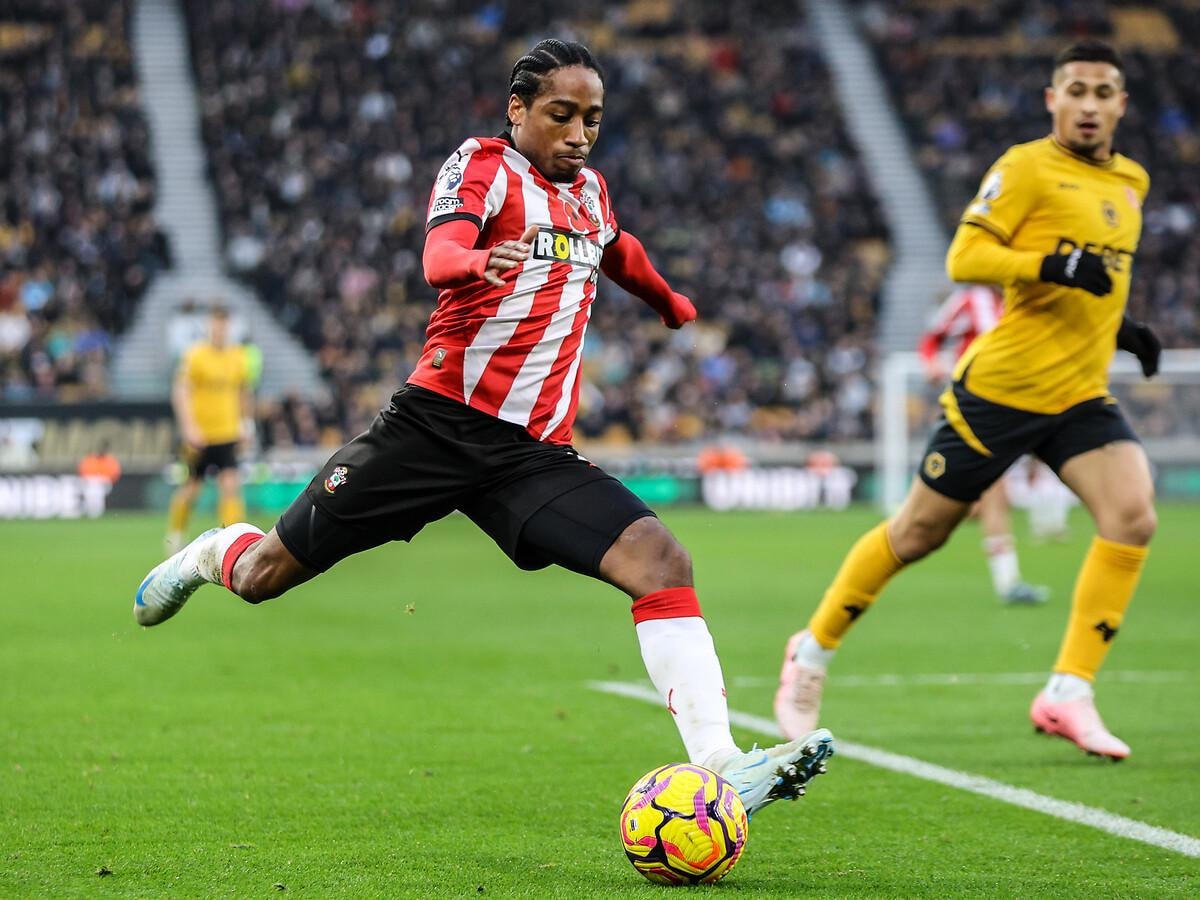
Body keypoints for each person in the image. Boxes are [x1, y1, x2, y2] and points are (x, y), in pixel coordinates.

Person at [134, 39, 834, 815]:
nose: (579, 134)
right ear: (518, 109)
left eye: (592, 119)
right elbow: (440, 253)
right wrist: (476, 263)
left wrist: (668, 301)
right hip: (433, 430)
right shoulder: (482, 166)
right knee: (265, 577)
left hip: (530, 456)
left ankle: (722, 764)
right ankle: (209, 553)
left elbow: (618, 250)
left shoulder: (591, 194)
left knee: (661, 561)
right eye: (561, 115)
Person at [775, 40, 1161, 760]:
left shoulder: (1131, 180)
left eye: (1103, 92)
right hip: (1003, 392)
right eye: (1075, 90)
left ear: (1121, 105)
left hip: (1079, 391)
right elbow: (965, 257)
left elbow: (1095, 278)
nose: (1088, 105)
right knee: (918, 534)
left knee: (1132, 515)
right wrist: (1050, 264)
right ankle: (811, 653)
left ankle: (1068, 691)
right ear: (1052, 100)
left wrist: (1121, 327)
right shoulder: (1025, 167)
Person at [918, 283, 1051, 605]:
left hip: (1013, 407)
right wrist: (931, 364)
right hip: (974, 408)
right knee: (993, 493)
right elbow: (932, 338)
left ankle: (1008, 580)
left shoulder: (1026, 301)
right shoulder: (969, 301)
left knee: (980, 500)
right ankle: (1008, 582)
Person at [165, 305, 251, 553]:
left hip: (228, 433)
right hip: (201, 436)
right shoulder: (195, 355)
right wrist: (189, 428)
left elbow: (243, 392)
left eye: (224, 325)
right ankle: (175, 536)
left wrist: (246, 425)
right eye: (216, 324)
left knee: (230, 486)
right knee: (192, 488)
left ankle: (233, 545)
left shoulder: (238, 356)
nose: (220, 330)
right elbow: (181, 392)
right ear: (209, 326)